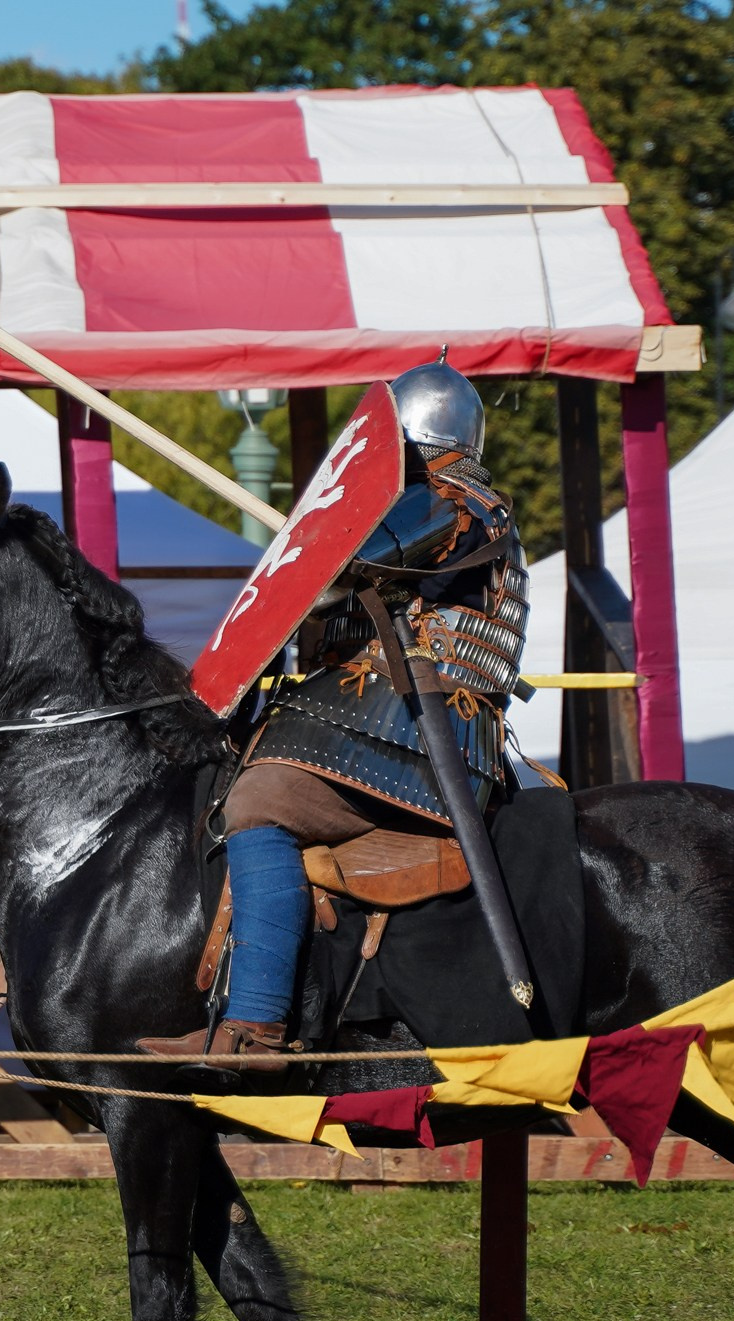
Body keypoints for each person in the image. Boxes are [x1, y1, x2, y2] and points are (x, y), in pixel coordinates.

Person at [139, 356, 525, 1067]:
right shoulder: (443, 502)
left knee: (258, 802)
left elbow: (353, 562)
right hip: (380, 720)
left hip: (422, 730)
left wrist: (317, 542)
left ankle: (254, 1025)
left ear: (401, 437)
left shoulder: (453, 500)